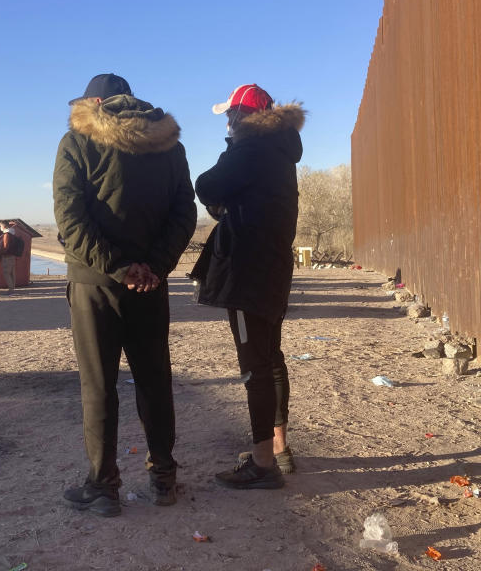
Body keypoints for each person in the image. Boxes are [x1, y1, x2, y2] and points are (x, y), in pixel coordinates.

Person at [53, 73, 196, 517]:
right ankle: (164, 477)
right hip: (151, 286)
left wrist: (118, 268)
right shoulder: (169, 144)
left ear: (95, 101)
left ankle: (103, 486)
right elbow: (184, 213)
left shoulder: (76, 142)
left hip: (95, 285)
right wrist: (153, 267)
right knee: (154, 379)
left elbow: (70, 218)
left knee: (99, 386)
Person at [190, 83, 305, 490]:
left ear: (242, 117)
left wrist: (230, 154)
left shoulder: (251, 149)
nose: (226, 121)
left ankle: (262, 464)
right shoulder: (279, 150)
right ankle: (278, 448)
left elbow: (206, 185)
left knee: (253, 366)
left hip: (246, 273)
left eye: (230, 115)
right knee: (271, 358)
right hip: (271, 269)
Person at [0, 221, 20, 293]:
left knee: (6, 273)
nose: (0, 228)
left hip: (7, 256)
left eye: (0, 226)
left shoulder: (7, 235)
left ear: (4, 226)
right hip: (12, 256)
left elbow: (5, 246)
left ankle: (11, 289)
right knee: (12, 273)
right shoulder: (13, 234)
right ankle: (12, 288)